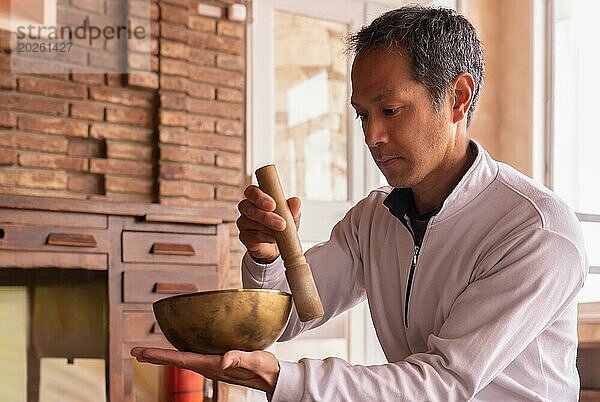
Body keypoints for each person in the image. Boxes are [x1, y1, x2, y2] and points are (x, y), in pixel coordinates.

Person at [132, 6, 588, 401]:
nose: (372, 137)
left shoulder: (536, 230)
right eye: (362, 115)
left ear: (457, 98)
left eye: (389, 110)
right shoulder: (373, 219)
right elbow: (290, 316)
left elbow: (444, 383)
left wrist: (283, 379)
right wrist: (266, 256)